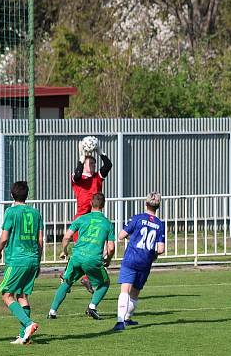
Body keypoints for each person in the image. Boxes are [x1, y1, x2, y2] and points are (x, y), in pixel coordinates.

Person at [48, 192, 115, 321]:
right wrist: (108, 259)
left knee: (67, 282)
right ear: (103, 205)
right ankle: (92, 306)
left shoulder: (82, 218)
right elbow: (111, 247)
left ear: (91, 203)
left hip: (77, 257)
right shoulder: (107, 223)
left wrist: (64, 251)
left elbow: (67, 236)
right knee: (105, 283)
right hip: (93, 259)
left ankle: (52, 311)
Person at [0, 181, 44, 345]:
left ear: (12, 195)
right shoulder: (36, 213)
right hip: (32, 258)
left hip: (17, 259)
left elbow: (4, 238)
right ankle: (24, 335)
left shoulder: (11, 212)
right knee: (22, 295)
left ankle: (29, 324)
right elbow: (40, 240)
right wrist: (38, 261)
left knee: (6, 294)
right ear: (27, 195)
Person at [113, 192, 166, 331]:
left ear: (146, 203)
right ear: (158, 206)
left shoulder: (137, 218)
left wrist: (132, 235)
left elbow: (121, 235)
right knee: (135, 292)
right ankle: (128, 317)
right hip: (145, 261)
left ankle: (120, 321)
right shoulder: (160, 224)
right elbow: (161, 249)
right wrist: (152, 255)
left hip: (131, 258)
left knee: (125, 289)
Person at [70, 140, 112, 294]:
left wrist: (100, 151)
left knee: (95, 252)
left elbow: (108, 165)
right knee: (81, 253)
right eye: (91, 163)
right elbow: (78, 173)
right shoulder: (78, 178)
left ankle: (84, 278)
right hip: (82, 221)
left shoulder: (97, 178)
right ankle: (68, 277)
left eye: (94, 163)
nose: (93, 165)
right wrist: (82, 156)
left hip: (95, 220)